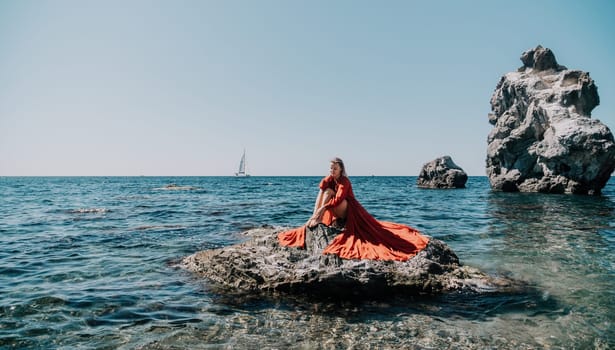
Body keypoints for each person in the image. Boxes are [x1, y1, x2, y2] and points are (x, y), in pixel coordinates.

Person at [278, 157, 429, 261]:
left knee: (330, 193)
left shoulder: (344, 181)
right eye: (331, 168)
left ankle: (317, 216)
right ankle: (314, 216)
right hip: (337, 208)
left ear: (341, 169)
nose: (332, 171)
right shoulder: (332, 178)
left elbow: (339, 199)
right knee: (327, 190)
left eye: (335, 169)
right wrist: (328, 177)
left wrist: (323, 208)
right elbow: (322, 187)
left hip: (350, 211)